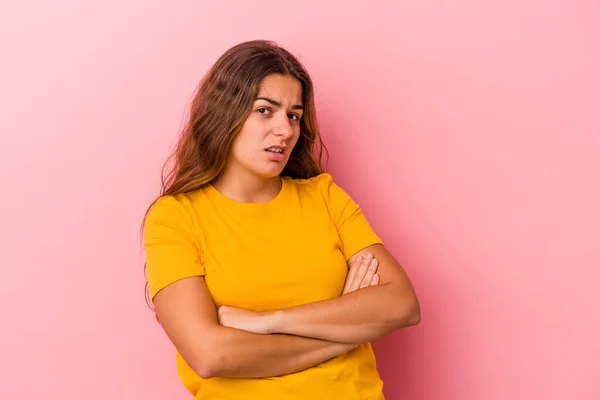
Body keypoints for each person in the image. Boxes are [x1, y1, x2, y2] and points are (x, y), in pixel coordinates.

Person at [142, 39, 421, 400]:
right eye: (265, 110)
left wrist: (269, 322)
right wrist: (346, 330)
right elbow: (211, 354)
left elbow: (402, 304)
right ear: (225, 111)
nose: (286, 130)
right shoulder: (175, 217)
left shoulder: (324, 196)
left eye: (293, 115)